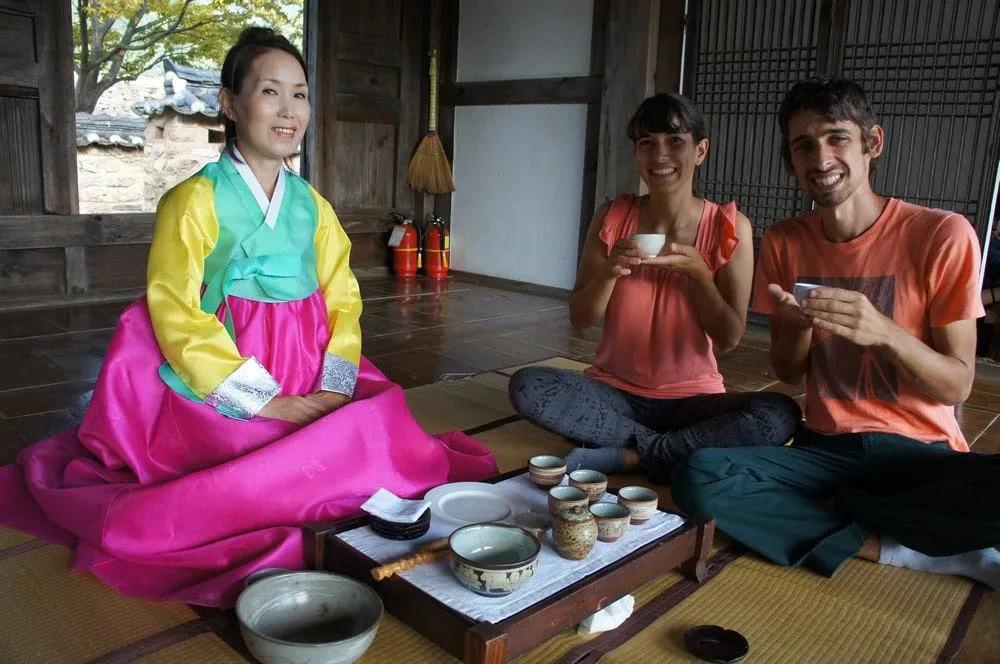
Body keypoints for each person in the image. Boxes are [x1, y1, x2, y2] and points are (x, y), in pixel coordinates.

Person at [0, 27, 496, 607]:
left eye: (300, 94)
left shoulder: (312, 205)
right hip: (221, 369)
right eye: (270, 91)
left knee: (376, 426)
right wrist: (261, 399)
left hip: (309, 361)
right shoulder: (193, 201)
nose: (289, 110)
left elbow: (342, 296)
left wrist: (334, 382)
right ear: (230, 104)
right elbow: (178, 309)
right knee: (264, 470)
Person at [671, 77, 1000, 588]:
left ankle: (864, 511)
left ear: (873, 143)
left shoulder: (942, 233)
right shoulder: (784, 241)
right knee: (699, 476)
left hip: (920, 453)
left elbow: (957, 385)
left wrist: (886, 332)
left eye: (836, 137)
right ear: (791, 161)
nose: (820, 158)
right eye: (803, 146)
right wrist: (798, 328)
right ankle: (905, 549)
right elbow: (787, 373)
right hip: (825, 451)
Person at [508, 93, 801, 481]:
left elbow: (730, 336)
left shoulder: (729, 227)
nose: (659, 155)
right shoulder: (614, 216)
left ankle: (632, 456)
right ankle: (681, 448)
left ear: (701, 150)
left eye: (675, 141)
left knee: (780, 414)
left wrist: (699, 274)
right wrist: (611, 270)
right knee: (529, 386)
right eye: (647, 143)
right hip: (614, 394)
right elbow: (580, 318)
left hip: (693, 400)